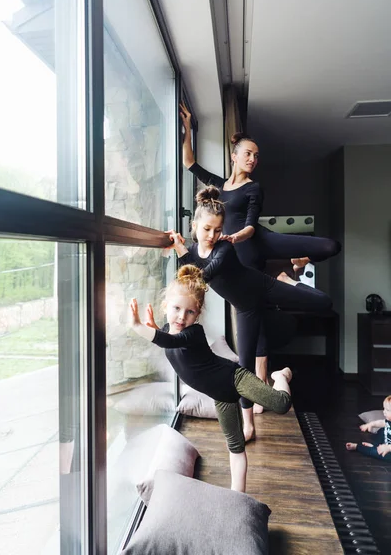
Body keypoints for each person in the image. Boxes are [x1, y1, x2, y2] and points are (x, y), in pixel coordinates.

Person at [180, 102, 341, 394]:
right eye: (248, 154)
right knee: (256, 321)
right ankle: (261, 388)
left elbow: (252, 225)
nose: (253, 159)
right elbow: (189, 163)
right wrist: (188, 128)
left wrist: (235, 236)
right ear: (234, 157)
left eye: (256, 156)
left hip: (256, 240)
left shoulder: (254, 188)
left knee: (331, 245)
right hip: (241, 261)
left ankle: (300, 260)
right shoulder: (219, 187)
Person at [166, 186, 332, 441]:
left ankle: (288, 280)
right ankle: (248, 425)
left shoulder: (224, 249)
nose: (212, 235)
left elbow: (203, 275)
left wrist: (181, 251)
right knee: (244, 372)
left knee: (323, 302)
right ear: (195, 225)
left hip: (264, 287)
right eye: (207, 229)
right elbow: (192, 274)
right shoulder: (194, 252)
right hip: (244, 309)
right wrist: (179, 247)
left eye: (218, 230)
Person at [129, 264, 292, 492]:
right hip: (221, 395)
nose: (181, 317)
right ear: (165, 306)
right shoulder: (168, 329)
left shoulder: (193, 333)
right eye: (176, 308)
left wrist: (138, 326)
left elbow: (171, 342)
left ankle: (281, 375)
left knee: (282, 404)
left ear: (198, 314)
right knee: (235, 446)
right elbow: (167, 336)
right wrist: (155, 327)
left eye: (190, 312)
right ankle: (238, 495)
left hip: (235, 378)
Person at [346, 396, 391, 461]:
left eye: (387, 410)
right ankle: (375, 446)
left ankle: (358, 447)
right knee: (382, 430)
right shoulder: (389, 421)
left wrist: (388, 448)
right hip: (386, 444)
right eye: (384, 409)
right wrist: (370, 424)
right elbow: (381, 422)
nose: (384, 412)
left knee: (381, 454)